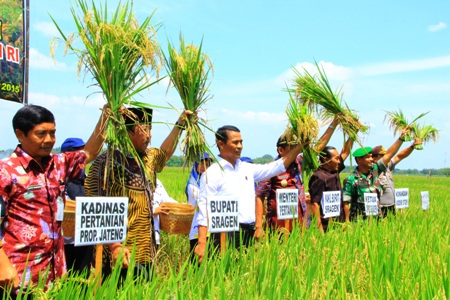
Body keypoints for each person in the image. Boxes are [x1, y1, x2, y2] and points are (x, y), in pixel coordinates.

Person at [0, 104, 107, 295]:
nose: (49, 140)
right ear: (20, 134)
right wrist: (2, 265)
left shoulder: (58, 165)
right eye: (41, 134)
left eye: (53, 133)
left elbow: (90, 152)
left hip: (54, 275)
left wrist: (107, 116)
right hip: (17, 277)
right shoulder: (6, 171)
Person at [85, 107, 192, 281]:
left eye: (150, 130)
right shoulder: (107, 162)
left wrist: (180, 124)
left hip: (146, 251)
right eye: (144, 130)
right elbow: (96, 206)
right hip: (118, 252)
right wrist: (114, 246)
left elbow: (165, 153)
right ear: (127, 132)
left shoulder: (148, 158)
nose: (149, 136)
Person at [195, 125, 307, 263]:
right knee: (224, 275)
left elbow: (275, 167)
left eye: (241, 142)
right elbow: (204, 210)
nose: (240, 146)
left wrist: (297, 150)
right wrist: (201, 243)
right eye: (235, 142)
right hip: (226, 233)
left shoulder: (246, 168)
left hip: (249, 232)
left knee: (245, 276)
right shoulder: (212, 173)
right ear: (221, 144)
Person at [255, 117, 339, 234]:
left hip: (300, 227)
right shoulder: (271, 169)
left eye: (298, 147)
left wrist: (334, 124)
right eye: (293, 147)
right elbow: (259, 196)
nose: (297, 150)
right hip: (278, 228)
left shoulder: (299, 163)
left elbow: (318, 148)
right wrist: (259, 227)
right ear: (280, 150)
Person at [342, 131, 407, 221]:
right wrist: (347, 221)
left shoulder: (375, 170)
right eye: (368, 157)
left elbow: (389, 154)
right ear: (359, 160)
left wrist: (401, 139)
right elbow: (345, 201)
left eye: (371, 157)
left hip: (376, 220)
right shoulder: (351, 179)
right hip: (359, 222)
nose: (371, 159)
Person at [60, 137, 94, 275]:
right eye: (77, 151)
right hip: (65, 241)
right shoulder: (60, 179)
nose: (81, 156)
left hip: (85, 239)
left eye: (82, 151)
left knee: (82, 277)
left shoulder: (87, 179)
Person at [308, 137, 353, 233]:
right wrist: (319, 229)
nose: (339, 161)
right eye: (336, 158)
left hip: (339, 224)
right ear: (326, 159)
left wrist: (353, 134)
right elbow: (315, 204)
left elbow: (345, 153)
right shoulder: (319, 177)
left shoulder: (335, 170)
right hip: (325, 226)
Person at [372, 138, 422, 217]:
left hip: (391, 206)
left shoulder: (388, 166)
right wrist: (401, 138)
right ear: (374, 159)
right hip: (381, 208)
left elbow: (399, 156)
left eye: (385, 155)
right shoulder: (374, 169)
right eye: (382, 155)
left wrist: (412, 146)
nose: (386, 157)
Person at [185, 153, 213, 253]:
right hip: (196, 228)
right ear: (196, 164)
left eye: (207, 164)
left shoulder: (209, 182)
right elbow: (202, 202)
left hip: (210, 228)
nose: (205, 167)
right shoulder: (192, 185)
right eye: (202, 163)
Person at [153, 179, 177, 247]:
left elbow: (166, 200)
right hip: (139, 235)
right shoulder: (135, 179)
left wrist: (182, 206)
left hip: (155, 235)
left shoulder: (157, 182)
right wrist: (153, 210)